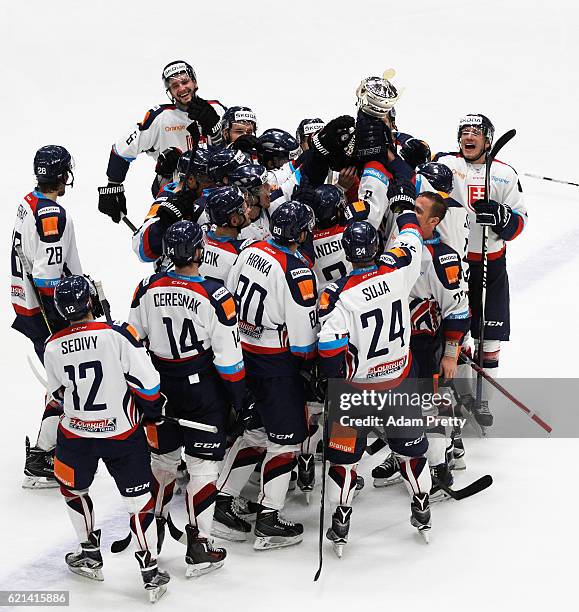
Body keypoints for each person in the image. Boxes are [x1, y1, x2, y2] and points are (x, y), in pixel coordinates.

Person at [129, 221, 245, 576]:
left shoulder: (145, 286)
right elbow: (229, 359)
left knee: (161, 463)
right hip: (201, 388)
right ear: (198, 252)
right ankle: (199, 543)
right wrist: (239, 400)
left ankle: (152, 534)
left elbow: (133, 341)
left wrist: (145, 394)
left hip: (159, 385)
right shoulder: (216, 294)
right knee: (202, 466)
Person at [46, 275, 169, 603]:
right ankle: (150, 570)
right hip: (122, 434)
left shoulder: (52, 345)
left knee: (73, 488)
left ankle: (89, 552)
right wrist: (152, 410)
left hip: (76, 435)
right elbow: (149, 384)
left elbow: (58, 393)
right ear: (90, 302)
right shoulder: (118, 336)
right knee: (138, 500)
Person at [317, 205, 432, 556]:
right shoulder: (396, 270)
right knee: (410, 452)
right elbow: (413, 236)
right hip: (399, 380)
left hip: (355, 391)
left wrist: (335, 379)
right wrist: (405, 208)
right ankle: (422, 507)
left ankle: (341, 518)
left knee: (344, 461)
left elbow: (328, 349)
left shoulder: (337, 294)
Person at [216, 201, 318, 549]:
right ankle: (269, 518)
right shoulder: (296, 270)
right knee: (287, 439)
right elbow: (304, 345)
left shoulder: (248, 249)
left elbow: (226, 299)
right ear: (301, 234)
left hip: (241, 355)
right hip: (274, 364)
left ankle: (221, 503)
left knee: (256, 432)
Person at [372, 192, 470, 499]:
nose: (411, 215)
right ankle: (407, 454)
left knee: (429, 406)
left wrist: (452, 354)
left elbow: (458, 309)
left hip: (425, 345)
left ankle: (440, 469)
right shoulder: (404, 241)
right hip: (397, 344)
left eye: (418, 211)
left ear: (434, 221)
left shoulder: (443, 258)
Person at [435, 114, 527, 426]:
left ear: (488, 139)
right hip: (455, 263)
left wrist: (502, 216)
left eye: (475, 132)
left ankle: (484, 399)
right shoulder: (448, 164)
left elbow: (520, 222)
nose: (468, 137)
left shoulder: (504, 174)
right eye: (464, 132)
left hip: (491, 263)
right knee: (456, 332)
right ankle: (461, 394)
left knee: (490, 336)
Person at [11, 145, 83, 489]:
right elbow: (46, 275)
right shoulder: (53, 213)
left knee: (65, 379)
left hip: (28, 305)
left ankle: (46, 451)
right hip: (47, 312)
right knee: (68, 381)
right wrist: (72, 312)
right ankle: (42, 457)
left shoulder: (28, 202)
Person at [98, 60, 225, 222]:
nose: (181, 89)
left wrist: (215, 129)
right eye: (174, 86)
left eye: (185, 82)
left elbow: (236, 153)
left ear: (195, 82)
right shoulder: (159, 118)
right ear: (169, 92)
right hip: (177, 194)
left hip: (216, 190)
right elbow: (121, 150)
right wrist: (113, 185)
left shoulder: (218, 110)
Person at [132, 148, 213, 267]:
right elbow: (141, 249)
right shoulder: (168, 194)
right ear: (191, 179)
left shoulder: (217, 193)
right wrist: (164, 223)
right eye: (207, 178)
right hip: (176, 271)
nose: (213, 183)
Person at [200, 185, 255, 283]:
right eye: (244, 208)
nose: (249, 210)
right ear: (234, 221)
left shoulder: (196, 243)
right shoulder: (242, 254)